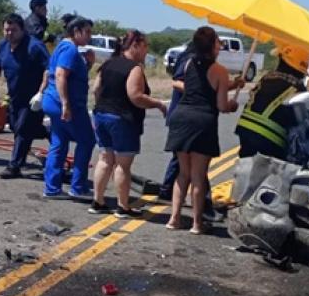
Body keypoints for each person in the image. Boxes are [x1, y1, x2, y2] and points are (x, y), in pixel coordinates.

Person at [165, 26, 239, 234]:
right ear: (213, 45)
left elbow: (199, 88)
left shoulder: (189, 63)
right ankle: (197, 223)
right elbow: (222, 105)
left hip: (182, 116)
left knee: (183, 173)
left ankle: (174, 218)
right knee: (198, 176)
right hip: (202, 120)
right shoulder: (219, 71)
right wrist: (232, 104)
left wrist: (233, 85)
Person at [90, 30, 167, 217]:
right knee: (123, 165)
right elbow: (135, 96)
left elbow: (96, 89)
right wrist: (157, 103)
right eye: (145, 46)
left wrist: (103, 105)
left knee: (105, 159)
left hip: (101, 114)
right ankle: (123, 206)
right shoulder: (134, 68)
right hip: (122, 118)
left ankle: (98, 201)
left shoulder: (108, 64)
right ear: (135, 45)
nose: (146, 51)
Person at [159, 45, 221, 222]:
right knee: (196, 172)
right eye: (216, 45)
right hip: (190, 118)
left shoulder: (196, 61)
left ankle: (170, 202)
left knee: (182, 164)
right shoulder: (192, 60)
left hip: (183, 117)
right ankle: (201, 213)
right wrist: (200, 91)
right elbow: (177, 81)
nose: (218, 49)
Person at [0, 13, 49, 179]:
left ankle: (14, 166)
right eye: (6, 30)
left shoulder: (35, 47)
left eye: (13, 30)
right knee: (16, 127)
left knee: (22, 129)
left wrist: (41, 93)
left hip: (33, 98)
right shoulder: (2, 46)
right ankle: (47, 132)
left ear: (22, 30)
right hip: (14, 96)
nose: (9, 33)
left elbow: (48, 70)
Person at [42, 14, 96, 199]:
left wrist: (87, 64)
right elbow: (60, 75)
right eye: (87, 32)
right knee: (87, 140)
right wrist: (66, 103)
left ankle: (52, 187)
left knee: (59, 141)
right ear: (76, 31)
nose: (89, 36)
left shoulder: (65, 48)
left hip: (55, 102)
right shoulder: (69, 50)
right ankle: (78, 186)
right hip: (65, 104)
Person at [235, 42, 307, 159]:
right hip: (270, 137)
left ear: (281, 60)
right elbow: (300, 122)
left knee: (247, 166)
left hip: (245, 128)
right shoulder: (298, 88)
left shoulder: (268, 77)